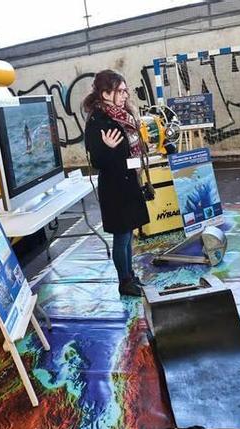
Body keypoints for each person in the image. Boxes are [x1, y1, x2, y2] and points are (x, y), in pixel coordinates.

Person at [82, 69, 150, 297]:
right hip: (114, 187)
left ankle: (130, 274)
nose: (124, 95)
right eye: (119, 91)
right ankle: (124, 282)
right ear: (105, 94)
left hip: (129, 181)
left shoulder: (122, 115)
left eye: (125, 91)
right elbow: (98, 160)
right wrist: (107, 149)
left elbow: (133, 144)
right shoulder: (97, 121)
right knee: (121, 237)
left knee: (128, 235)